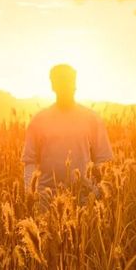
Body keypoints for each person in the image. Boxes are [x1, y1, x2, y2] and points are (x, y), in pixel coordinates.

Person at [21, 64, 113, 205]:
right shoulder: (39, 120)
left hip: (84, 199)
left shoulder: (92, 119)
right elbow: (29, 162)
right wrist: (31, 193)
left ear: (75, 83)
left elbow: (103, 160)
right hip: (46, 199)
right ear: (53, 85)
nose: (65, 85)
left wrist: (96, 193)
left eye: (68, 80)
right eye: (60, 81)